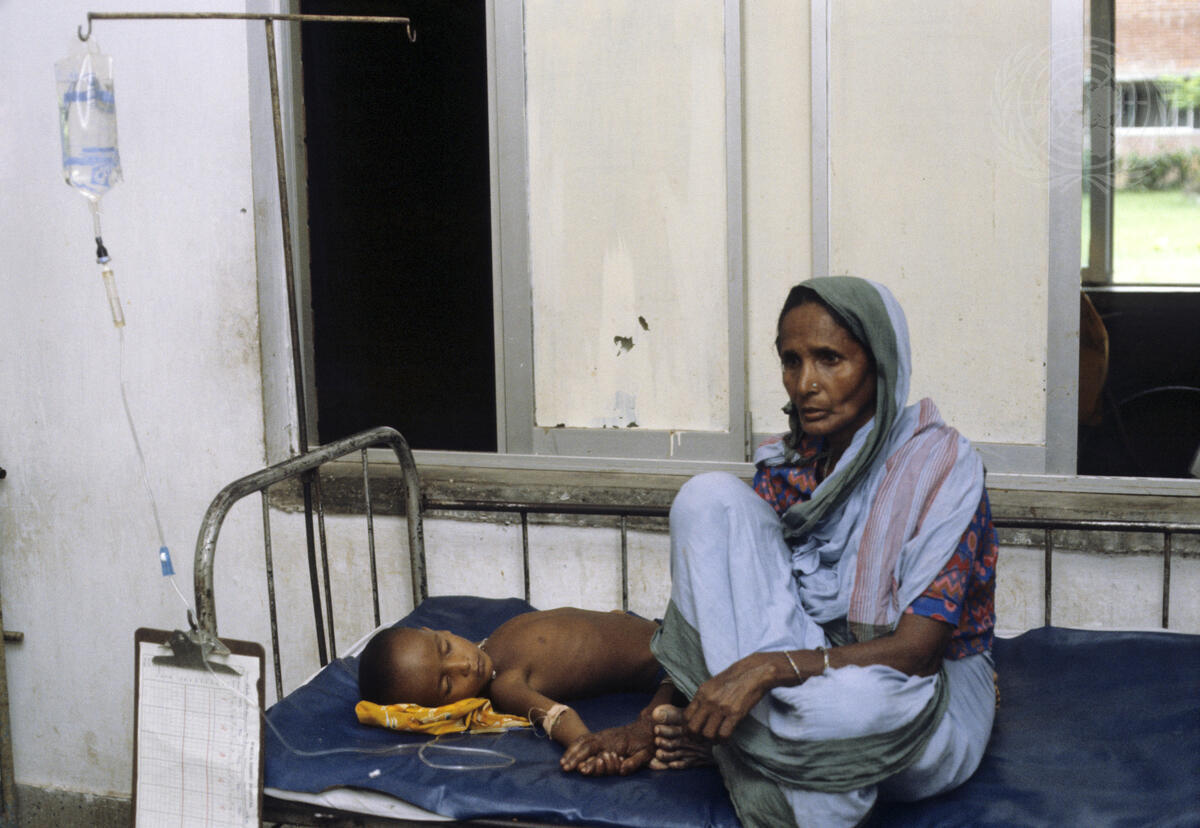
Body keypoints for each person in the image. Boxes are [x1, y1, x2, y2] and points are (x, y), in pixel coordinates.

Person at [566, 276, 998, 826]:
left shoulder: (941, 468)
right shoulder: (787, 466)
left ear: (880, 365)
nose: (805, 384)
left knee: (849, 709)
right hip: (804, 676)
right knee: (708, 497)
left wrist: (771, 668)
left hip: (911, 694)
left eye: (829, 359)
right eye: (791, 361)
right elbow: (721, 602)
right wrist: (650, 720)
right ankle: (771, 751)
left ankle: (730, 745)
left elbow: (917, 654)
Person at [357, 607, 679, 775]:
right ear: (439, 708)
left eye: (446, 648)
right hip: (670, 668)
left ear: (439, 631)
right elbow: (557, 717)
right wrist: (588, 747)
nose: (463, 665)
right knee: (657, 718)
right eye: (447, 684)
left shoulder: (495, 639)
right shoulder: (505, 686)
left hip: (668, 639)